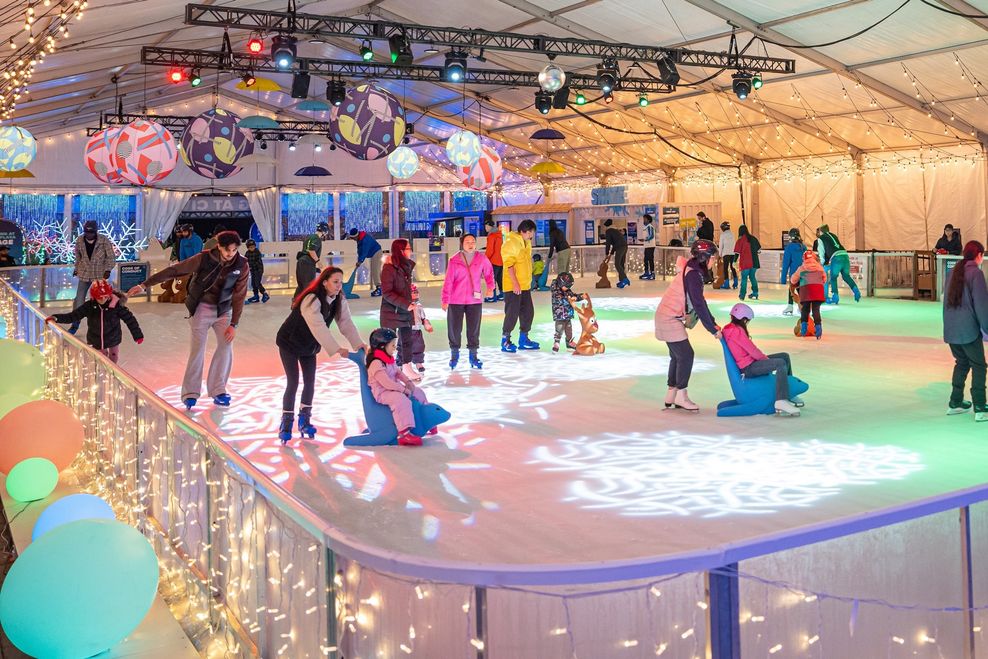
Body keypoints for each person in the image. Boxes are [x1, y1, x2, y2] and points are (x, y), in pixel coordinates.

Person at [128, 231, 249, 410]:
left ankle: (218, 390)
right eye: (227, 249)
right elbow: (174, 270)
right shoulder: (204, 258)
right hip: (202, 307)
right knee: (197, 349)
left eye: (233, 250)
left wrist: (234, 324)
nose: (230, 253)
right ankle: (190, 393)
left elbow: (240, 294)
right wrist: (144, 285)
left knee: (226, 347)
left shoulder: (242, 264)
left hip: (224, 310)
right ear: (219, 246)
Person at [275, 267, 366, 443]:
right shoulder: (311, 299)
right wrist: (336, 348)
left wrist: (358, 344)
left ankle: (304, 420)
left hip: (309, 346)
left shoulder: (339, 299)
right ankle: (286, 423)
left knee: (310, 382)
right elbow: (318, 326)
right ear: (325, 282)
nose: (339, 285)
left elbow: (345, 322)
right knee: (293, 382)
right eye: (335, 281)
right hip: (290, 342)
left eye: (341, 282)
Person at [654, 239, 721, 411]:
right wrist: (713, 329)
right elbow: (699, 304)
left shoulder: (693, 270)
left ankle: (671, 393)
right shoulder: (693, 274)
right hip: (669, 317)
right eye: (713, 257)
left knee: (678, 356)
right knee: (686, 355)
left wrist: (712, 323)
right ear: (704, 257)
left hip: (667, 315)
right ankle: (681, 396)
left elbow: (699, 303)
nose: (714, 261)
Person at [722, 303, 803, 416]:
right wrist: (765, 361)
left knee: (784, 356)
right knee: (780, 363)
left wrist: (765, 360)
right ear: (744, 320)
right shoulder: (737, 332)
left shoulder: (730, 329)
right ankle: (781, 400)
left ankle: (788, 392)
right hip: (748, 368)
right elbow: (753, 350)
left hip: (751, 362)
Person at [45, 279, 143, 364]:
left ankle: (113, 374)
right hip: (95, 339)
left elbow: (130, 320)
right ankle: (103, 375)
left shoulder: (116, 306)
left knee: (113, 357)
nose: (103, 299)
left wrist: (137, 335)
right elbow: (73, 316)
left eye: (106, 296)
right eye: (100, 297)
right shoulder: (89, 306)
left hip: (113, 337)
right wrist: (56, 318)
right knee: (101, 360)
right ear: (94, 297)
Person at [366, 328, 435, 446]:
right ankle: (404, 433)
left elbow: (398, 373)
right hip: (383, 393)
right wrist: (403, 390)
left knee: (418, 392)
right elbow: (386, 383)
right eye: (392, 345)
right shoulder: (376, 363)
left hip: (394, 389)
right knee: (402, 400)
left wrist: (408, 382)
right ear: (382, 346)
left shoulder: (388, 359)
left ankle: (427, 419)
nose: (395, 348)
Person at [943, 240, 988, 421]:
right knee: (979, 365)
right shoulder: (975, 273)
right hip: (967, 331)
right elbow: (982, 305)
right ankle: (980, 405)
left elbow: (945, 304)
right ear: (979, 255)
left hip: (952, 329)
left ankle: (956, 402)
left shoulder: (953, 271)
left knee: (962, 363)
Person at [441, 233, 494, 370]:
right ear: (462, 244)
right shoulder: (454, 260)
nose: (470, 244)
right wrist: (445, 299)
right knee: (454, 329)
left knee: (474, 329)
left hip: (474, 301)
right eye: (467, 242)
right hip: (455, 300)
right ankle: (454, 354)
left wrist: (490, 287)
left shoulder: (482, 259)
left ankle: (473, 355)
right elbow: (448, 281)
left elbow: (489, 274)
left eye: (473, 242)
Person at [380, 238, 422, 379]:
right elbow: (387, 293)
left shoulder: (406, 267)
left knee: (407, 341)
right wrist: (405, 303)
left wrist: (410, 299)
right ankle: (385, 369)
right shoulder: (389, 268)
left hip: (405, 310)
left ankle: (406, 367)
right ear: (401, 251)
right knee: (388, 342)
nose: (411, 251)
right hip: (392, 312)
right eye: (408, 248)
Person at [70, 220, 117, 335]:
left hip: (99, 274)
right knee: (79, 299)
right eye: (87, 232)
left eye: (91, 232)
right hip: (85, 273)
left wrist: (108, 269)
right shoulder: (80, 240)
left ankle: (104, 323)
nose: (89, 235)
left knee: (101, 299)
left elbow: (111, 257)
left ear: (95, 232)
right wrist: (76, 269)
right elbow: (78, 257)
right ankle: (75, 322)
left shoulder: (103, 240)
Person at [501, 219, 540, 352]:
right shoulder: (510, 243)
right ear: (526, 231)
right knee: (512, 313)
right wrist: (515, 283)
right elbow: (509, 264)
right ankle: (505, 340)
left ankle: (524, 338)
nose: (532, 236)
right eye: (531, 233)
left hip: (525, 285)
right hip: (513, 286)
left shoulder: (526, 242)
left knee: (528, 312)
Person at [816, 224, 860, 304]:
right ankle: (856, 290)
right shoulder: (834, 235)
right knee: (846, 276)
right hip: (845, 255)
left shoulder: (821, 238)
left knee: (833, 277)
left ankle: (835, 297)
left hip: (836, 258)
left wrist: (822, 264)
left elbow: (821, 252)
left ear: (821, 231)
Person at [791, 251, 827, 339]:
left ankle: (804, 327)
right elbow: (824, 278)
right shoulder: (819, 267)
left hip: (806, 291)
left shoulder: (802, 268)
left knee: (805, 309)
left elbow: (793, 280)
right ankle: (818, 327)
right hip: (818, 290)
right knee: (816, 309)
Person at [550, 272, 583, 353]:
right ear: (561, 284)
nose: (568, 288)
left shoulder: (567, 290)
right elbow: (562, 300)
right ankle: (556, 342)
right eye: (567, 286)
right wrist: (570, 299)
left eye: (570, 286)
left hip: (568, 315)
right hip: (560, 315)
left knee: (569, 330)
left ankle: (569, 343)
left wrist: (580, 296)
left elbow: (572, 296)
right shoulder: (556, 292)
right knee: (559, 329)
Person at [296, 221, 330, 296]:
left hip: (301, 261)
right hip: (308, 262)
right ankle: (307, 303)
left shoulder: (309, 237)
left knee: (301, 285)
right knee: (309, 284)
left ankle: (296, 303)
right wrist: (318, 261)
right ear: (324, 231)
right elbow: (311, 250)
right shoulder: (316, 238)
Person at [347, 227, 384, 297]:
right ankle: (380, 288)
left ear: (356, 236)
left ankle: (379, 288)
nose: (353, 240)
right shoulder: (360, 239)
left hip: (377, 253)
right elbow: (360, 251)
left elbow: (364, 251)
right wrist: (359, 260)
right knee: (375, 270)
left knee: (375, 270)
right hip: (374, 254)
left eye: (353, 238)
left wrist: (360, 261)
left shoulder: (365, 239)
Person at [781, 228, 806, 315]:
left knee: (792, 289)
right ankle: (802, 307)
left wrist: (783, 278)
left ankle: (790, 306)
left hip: (794, 273)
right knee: (801, 289)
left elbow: (786, 263)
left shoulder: (789, 247)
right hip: (803, 272)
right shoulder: (803, 246)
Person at [734, 224, 761, 301]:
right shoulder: (753, 239)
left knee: (744, 279)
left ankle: (742, 295)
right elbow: (759, 251)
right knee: (753, 277)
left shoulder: (740, 240)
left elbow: (737, 253)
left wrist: (734, 261)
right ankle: (755, 293)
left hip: (745, 263)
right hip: (754, 262)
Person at [603, 219, 630, 288]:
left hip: (620, 248)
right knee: (621, 264)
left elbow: (608, 243)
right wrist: (610, 254)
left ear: (606, 226)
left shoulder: (608, 231)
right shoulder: (616, 230)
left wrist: (606, 254)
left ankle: (624, 279)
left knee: (617, 264)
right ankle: (622, 281)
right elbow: (615, 244)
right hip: (624, 246)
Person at [483, 219, 504, 303]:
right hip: (501, 260)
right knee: (499, 278)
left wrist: (485, 259)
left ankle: (492, 296)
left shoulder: (492, 236)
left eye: (485, 226)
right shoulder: (499, 235)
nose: (485, 228)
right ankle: (503, 295)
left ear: (488, 226)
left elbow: (490, 250)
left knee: (491, 279)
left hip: (493, 261)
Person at [244, 239, 269, 304]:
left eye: (253, 247)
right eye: (250, 247)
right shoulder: (247, 253)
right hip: (252, 270)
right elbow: (245, 261)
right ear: (248, 247)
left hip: (258, 270)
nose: (252, 248)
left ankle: (265, 294)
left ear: (255, 246)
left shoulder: (257, 252)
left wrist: (251, 265)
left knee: (257, 282)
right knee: (253, 283)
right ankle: (256, 296)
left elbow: (258, 261)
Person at [718, 221, 737, 289]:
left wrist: (720, 254)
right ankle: (735, 283)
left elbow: (721, 245)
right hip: (733, 253)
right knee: (732, 267)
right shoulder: (732, 234)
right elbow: (734, 244)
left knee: (725, 268)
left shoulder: (723, 235)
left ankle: (726, 284)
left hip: (726, 253)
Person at [640, 214, 656, 280]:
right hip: (647, 246)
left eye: (645, 219)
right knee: (646, 259)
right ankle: (646, 272)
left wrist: (645, 239)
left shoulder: (650, 227)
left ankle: (652, 273)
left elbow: (651, 235)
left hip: (650, 246)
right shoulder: (645, 227)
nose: (644, 220)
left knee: (650, 259)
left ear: (648, 220)